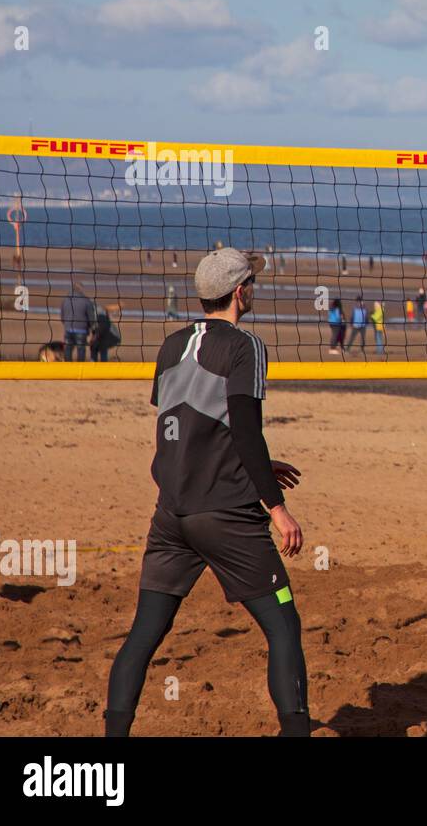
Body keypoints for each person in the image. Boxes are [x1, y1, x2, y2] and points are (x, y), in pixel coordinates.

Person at [104, 247, 309, 737]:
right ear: (240, 292)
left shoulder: (171, 345)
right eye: (252, 283)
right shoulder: (246, 346)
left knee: (144, 635)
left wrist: (256, 466)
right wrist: (277, 508)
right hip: (225, 515)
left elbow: (185, 429)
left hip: (171, 515)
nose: (254, 289)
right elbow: (245, 430)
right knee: (283, 626)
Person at [60, 282, 96, 362]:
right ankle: (80, 367)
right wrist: (92, 329)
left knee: (68, 349)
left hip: (68, 329)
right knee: (81, 349)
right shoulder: (86, 301)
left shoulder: (66, 300)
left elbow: (62, 316)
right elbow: (91, 318)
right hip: (81, 330)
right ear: (81, 289)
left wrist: (67, 324)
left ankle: (68, 366)